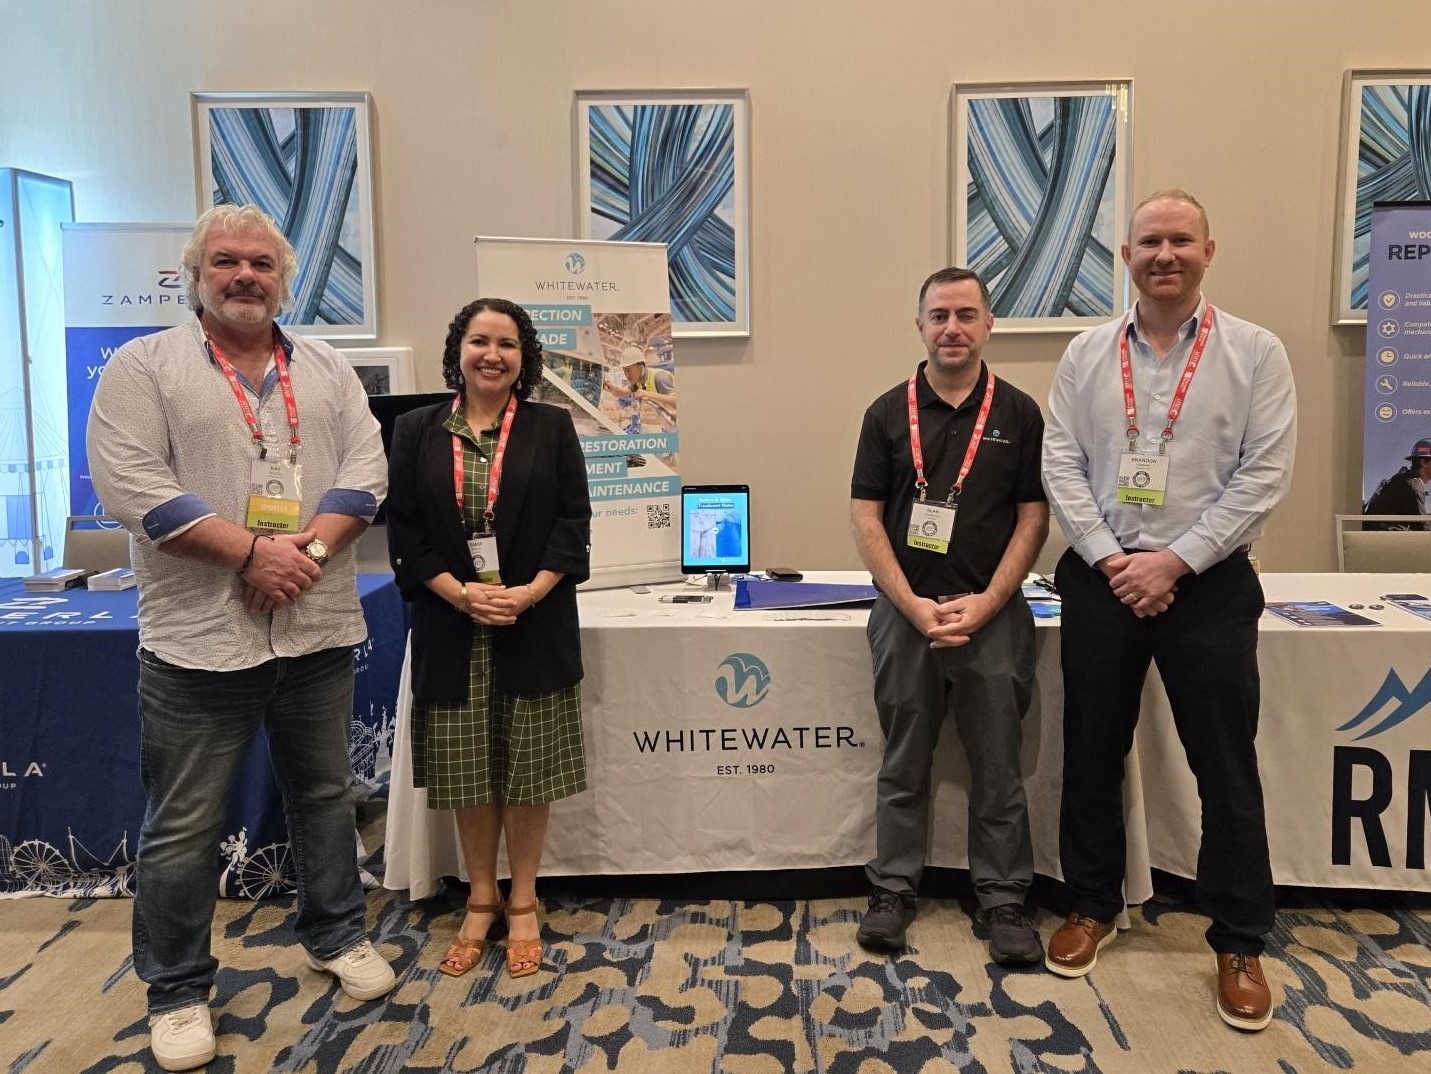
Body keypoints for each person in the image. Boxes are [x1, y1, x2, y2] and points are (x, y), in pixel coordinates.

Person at [87, 204, 394, 1072]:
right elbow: (136, 488)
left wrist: (307, 553)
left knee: (325, 797)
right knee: (183, 825)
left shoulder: (330, 369)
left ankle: (336, 934)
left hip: (315, 630)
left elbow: (366, 473)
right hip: (199, 643)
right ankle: (177, 989)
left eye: (261, 263)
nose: (245, 276)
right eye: (225, 261)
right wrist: (256, 554)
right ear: (195, 275)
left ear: (284, 278)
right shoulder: (142, 368)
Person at [1041, 189, 1296, 1031]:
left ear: (1207, 252)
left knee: (1223, 765)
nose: (1164, 254)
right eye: (1149, 240)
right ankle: (1089, 905)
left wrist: (1174, 561)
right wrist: (1116, 560)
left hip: (1208, 585)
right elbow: (1061, 465)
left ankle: (1239, 937)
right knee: (1089, 750)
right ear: (1125, 256)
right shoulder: (1084, 353)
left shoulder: (1255, 353)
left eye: (1180, 240)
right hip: (1102, 576)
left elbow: (1261, 476)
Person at [385, 297, 591, 982]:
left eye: (507, 343)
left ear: (523, 356)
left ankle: (524, 899)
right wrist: (459, 592)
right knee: (468, 768)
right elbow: (406, 531)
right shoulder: (416, 429)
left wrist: (528, 592)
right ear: (459, 349)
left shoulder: (551, 427)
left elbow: (572, 524)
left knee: (529, 767)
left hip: (533, 620)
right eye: (479, 340)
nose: (492, 355)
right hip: (452, 623)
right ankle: (480, 896)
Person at [850, 267, 1049, 965]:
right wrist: (911, 604)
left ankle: (1001, 898)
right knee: (903, 761)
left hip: (992, 617)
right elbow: (866, 517)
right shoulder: (885, 412)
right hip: (905, 619)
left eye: (966, 314)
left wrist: (989, 600)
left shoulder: (1019, 413)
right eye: (938, 315)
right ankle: (892, 889)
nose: (952, 328)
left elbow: (1033, 517)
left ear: (988, 324)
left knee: (997, 766)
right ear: (919, 326)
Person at [1362, 438, 1431, 529]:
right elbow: (1422, 528)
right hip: (1379, 539)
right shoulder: (1414, 485)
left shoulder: (1405, 480)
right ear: (1423, 462)